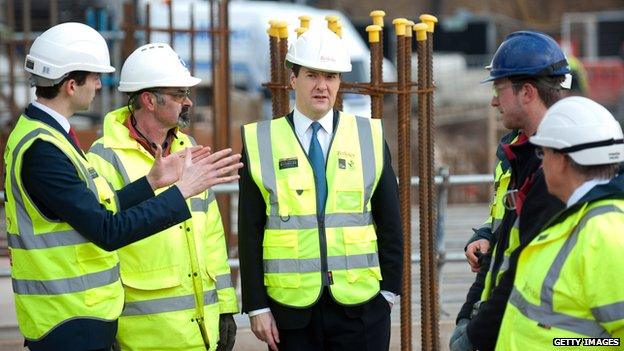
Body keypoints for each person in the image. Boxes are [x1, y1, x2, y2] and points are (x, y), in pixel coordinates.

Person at [4, 22, 242, 351]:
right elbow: (107, 229)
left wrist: (151, 182)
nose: (101, 85)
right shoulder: (44, 149)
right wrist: (180, 192)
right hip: (68, 319)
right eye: (95, 77)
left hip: (80, 314)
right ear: (71, 85)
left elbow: (100, 208)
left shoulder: (49, 138)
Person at [237, 27, 403, 351]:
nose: (322, 86)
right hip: (291, 311)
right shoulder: (261, 141)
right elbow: (250, 230)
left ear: (340, 82)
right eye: (312, 75)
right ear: (293, 79)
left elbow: (390, 221)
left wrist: (389, 292)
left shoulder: (367, 135)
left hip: (362, 308)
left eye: (330, 76)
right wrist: (257, 306)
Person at [86, 42, 238, 351]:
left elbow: (211, 235)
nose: (188, 102)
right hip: (143, 336)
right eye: (178, 94)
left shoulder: (189, 148)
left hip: (202, 333)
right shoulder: (105, 158)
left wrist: (225, 307)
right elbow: (99, 247)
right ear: (148, 100)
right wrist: (104, 325)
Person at [450, 31, 572, 351]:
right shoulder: (515, 151)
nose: (493, 100)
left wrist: (474, 334)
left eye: (499, 88)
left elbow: (521, 267)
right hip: (506, 324)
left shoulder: (557, 170)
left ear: (527, 92)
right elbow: (506, 232)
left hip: (533, 332)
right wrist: (487, 235)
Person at [497, 96, 624, 349]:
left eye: (544, 152)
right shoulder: (576, 218)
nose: (542, 163)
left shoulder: (606, 234)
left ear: (563, 161)